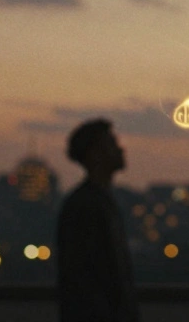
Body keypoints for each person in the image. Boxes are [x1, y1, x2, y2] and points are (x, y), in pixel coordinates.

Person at [57, 119, 138, 322]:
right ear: (95, 154)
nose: (121, 149)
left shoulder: (93, 201)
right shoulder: (86, 206)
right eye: (112, 144)